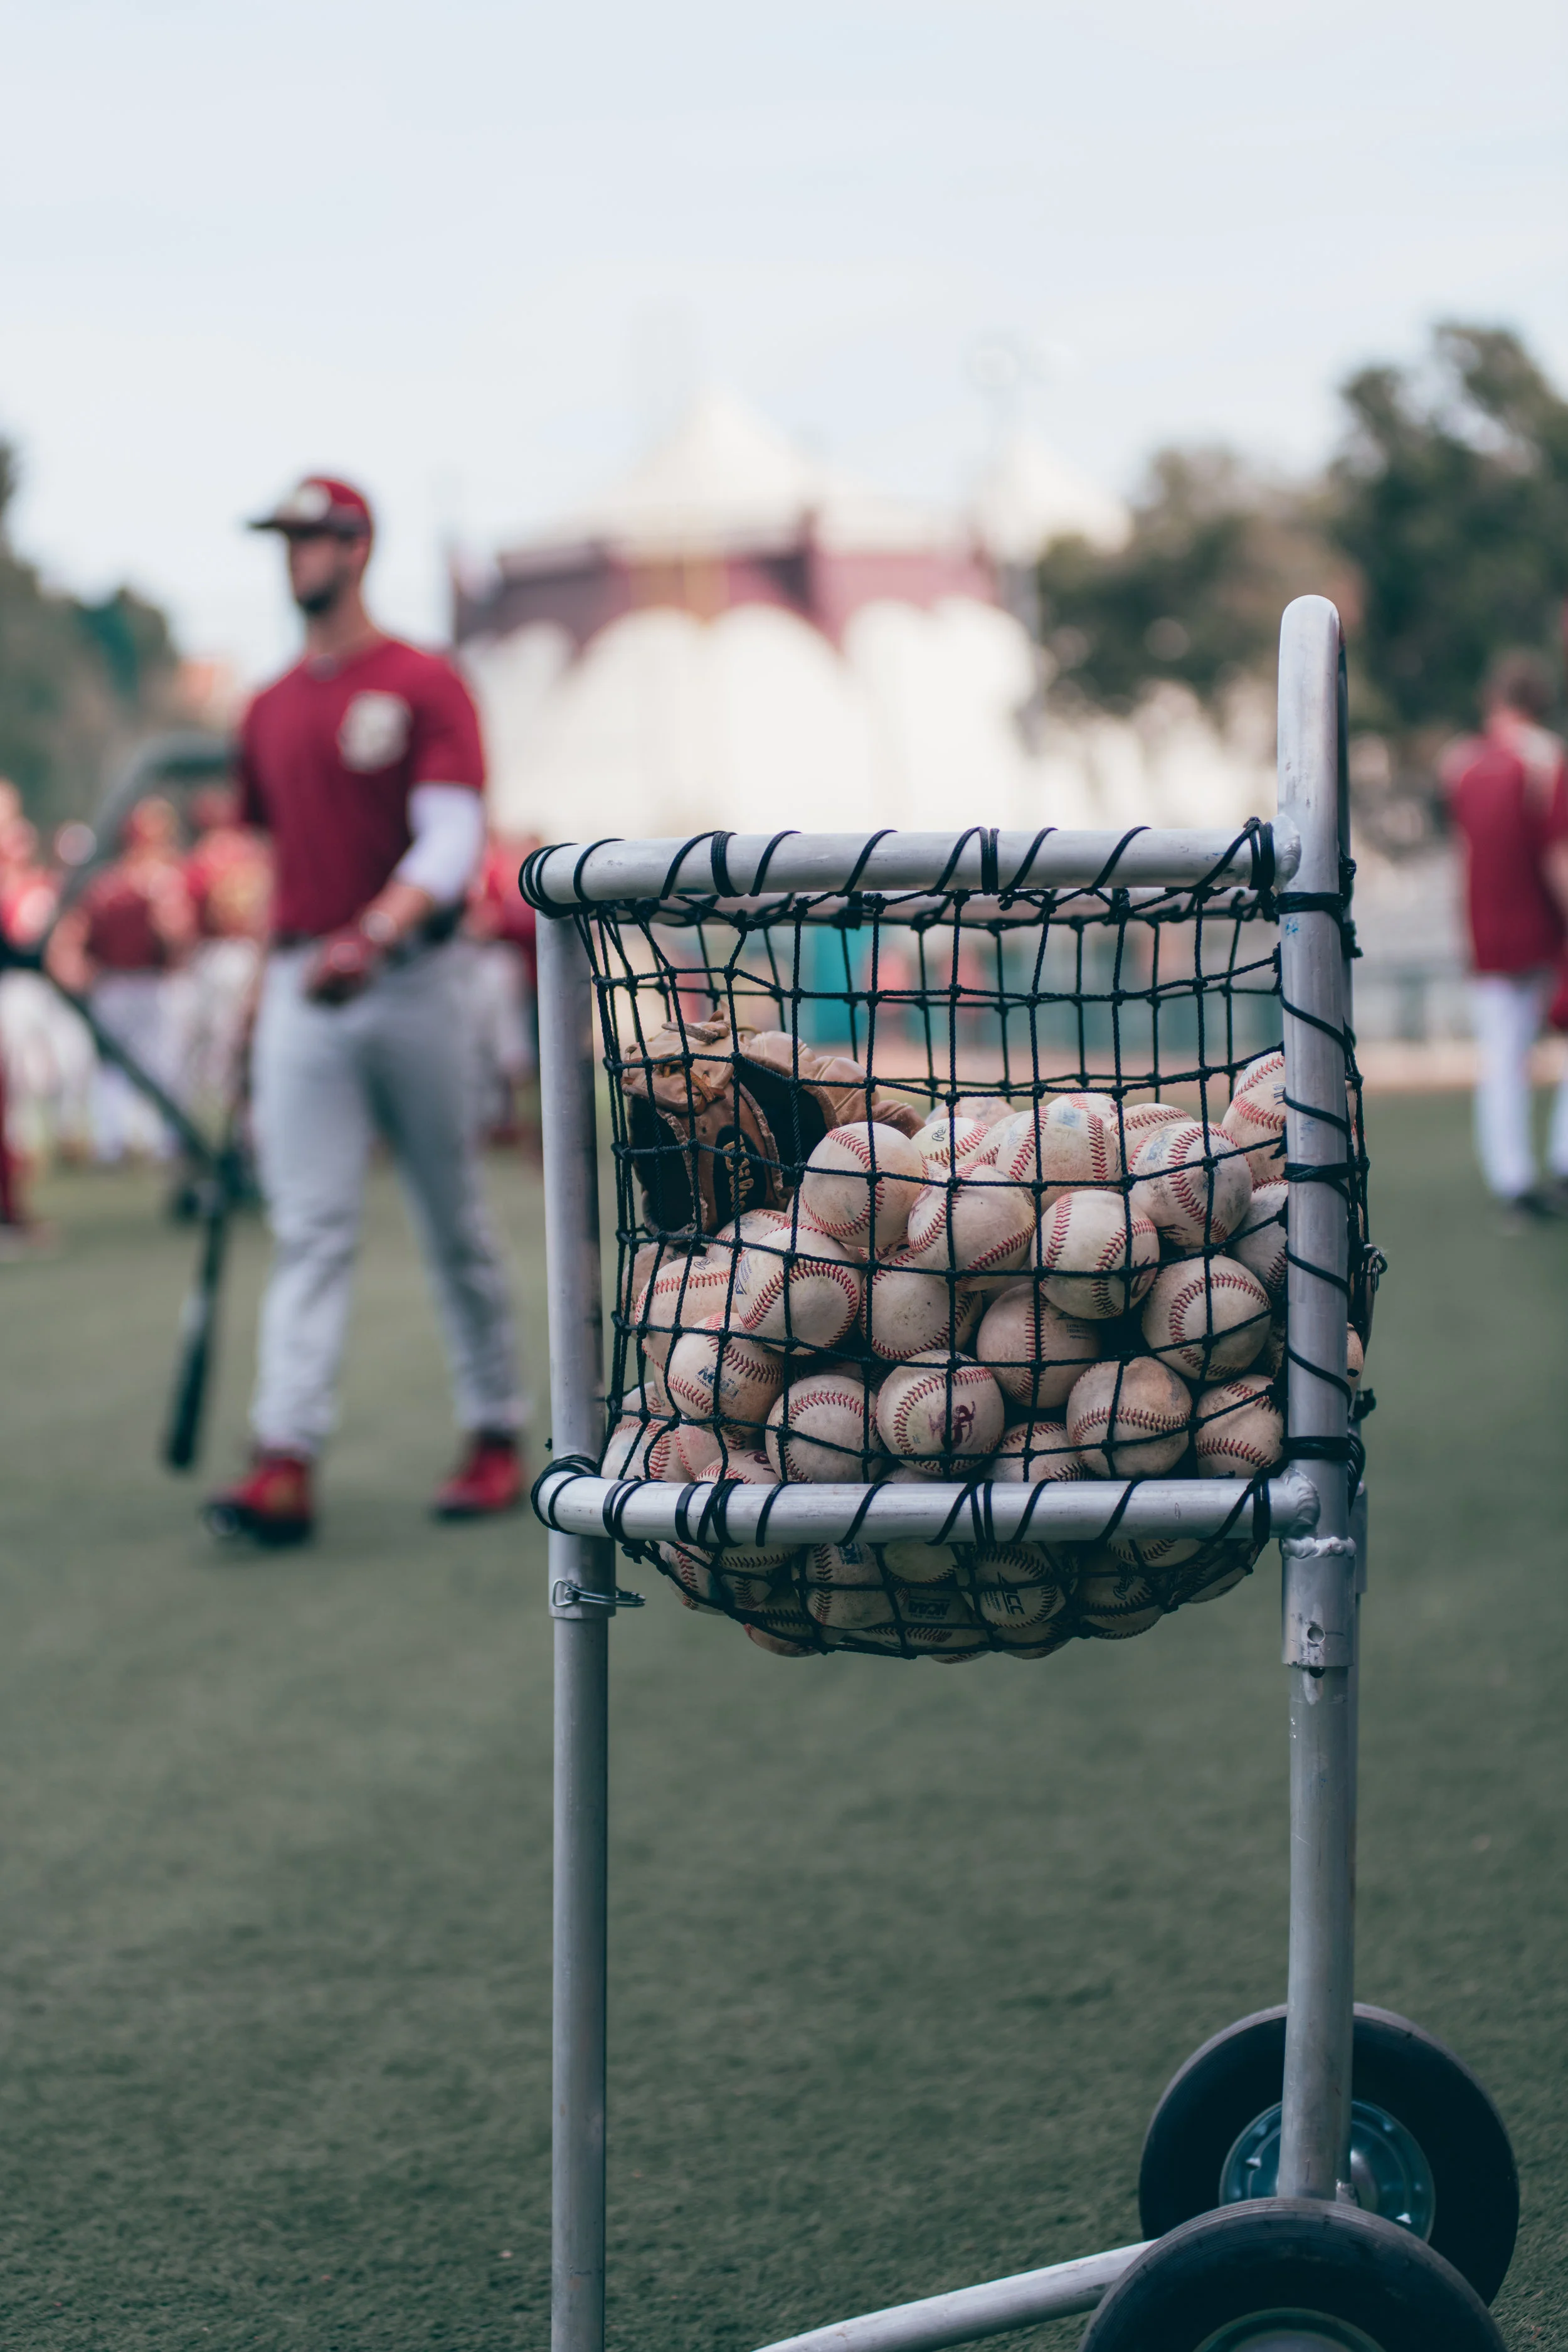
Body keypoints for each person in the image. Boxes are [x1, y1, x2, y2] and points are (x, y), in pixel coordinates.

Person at [206, 475, 526, 1544]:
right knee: (307, 1226)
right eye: (287, 538)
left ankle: (494, 1429)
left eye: (313, 536)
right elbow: (278, 864)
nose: (295, 554)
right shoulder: (267, 706)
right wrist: (259, 996)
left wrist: (374, 932)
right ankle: (284, 1455)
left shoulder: (423, 680)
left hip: (413, 977)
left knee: (452, 1216)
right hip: (306, 982)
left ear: (359, 546)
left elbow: (451, 837)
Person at [1442, 652, 1568, 1223]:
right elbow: (1558, 854)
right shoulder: (1546, 757)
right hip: (1542, 933)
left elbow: (1462, 856)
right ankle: (1562, 1162)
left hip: (1487, 937)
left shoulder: (1461, 763)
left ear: (1494, 700)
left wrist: (1466, 932)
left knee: (1501, 1061)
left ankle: (1512, 1181)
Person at [46, 797, 196, 1162]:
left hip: (140, 984)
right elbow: (74, 936)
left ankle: (134, 1141)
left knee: (144, 1065)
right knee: (138, 1065)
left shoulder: (115, 882)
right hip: (131, 983)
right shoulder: (126, 883)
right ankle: (132, 1139)